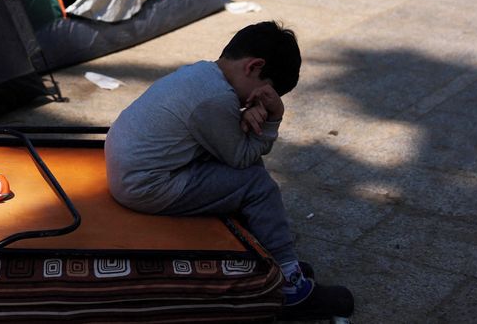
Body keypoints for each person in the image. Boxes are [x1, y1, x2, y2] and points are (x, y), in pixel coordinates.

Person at [104, 21, 353, 318]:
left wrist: (245, 120)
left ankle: (266, 256)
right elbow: (241, 159)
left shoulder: (202, 74)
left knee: (241, 174)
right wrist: (273, 118)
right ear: (254, 66)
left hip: (131, 170)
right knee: (257, 185)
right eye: (265, 93)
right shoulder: (216, 98)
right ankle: (291, 287)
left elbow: (224, 142)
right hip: (146, 186)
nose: (259, 100)